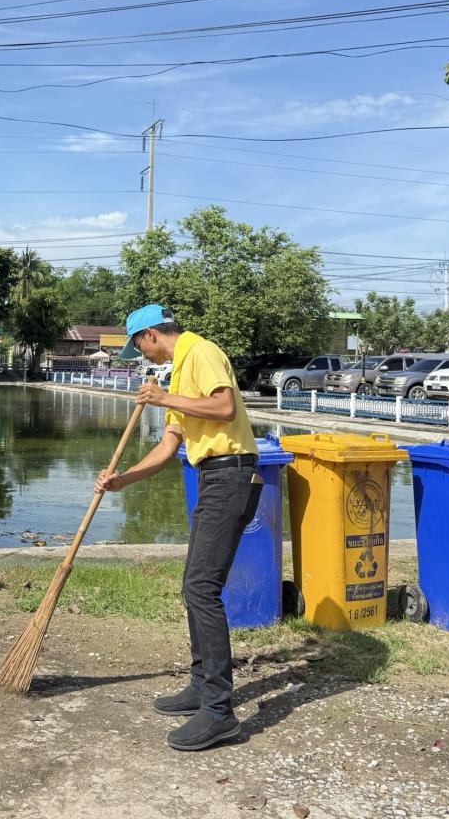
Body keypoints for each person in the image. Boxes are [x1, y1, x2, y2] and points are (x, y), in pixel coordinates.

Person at [96, 304, 261, 752]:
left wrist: (163, 398)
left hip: (232, 474)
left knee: (202, 588)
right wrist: (123, 479)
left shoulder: (200, 351)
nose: (143, 357)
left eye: (139, 347)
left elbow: (224, 406)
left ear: (150, 334)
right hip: (212, 477)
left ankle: (220, 712)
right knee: (194, 585)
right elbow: (169, 446)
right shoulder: (178, 373)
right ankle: (201, 685)